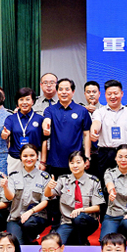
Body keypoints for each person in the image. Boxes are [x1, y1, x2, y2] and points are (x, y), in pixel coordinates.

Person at [42, 78, 92, 228]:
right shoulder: (50, 110)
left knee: (76, 192)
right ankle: (56, 225)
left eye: (67, 89)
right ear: (57, 92)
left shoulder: (81, 111)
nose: (64, 92)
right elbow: (46, 121)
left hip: (76, 163)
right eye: (61, 89)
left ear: (73, 91)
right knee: (55, 194)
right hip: (55, 160)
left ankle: (75, 224)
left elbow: (87, 134)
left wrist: (87, 157)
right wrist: (46, 126)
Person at [44, 151, 102, 245]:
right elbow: (48, 195)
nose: (75, 165)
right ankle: (77, 239)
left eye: (78, 162)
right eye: (72, 163)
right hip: (67, 222)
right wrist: (48, 187)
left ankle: (82, 242)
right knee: (57, 244)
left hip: (87, 220)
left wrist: (81, 210)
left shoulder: (94, 181)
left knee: (78, 219)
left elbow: (97, 207)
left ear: (85, 163)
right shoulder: (63, 180)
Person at [91, 80, 127, 179]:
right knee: (105, 183)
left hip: (125, 154)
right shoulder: (99, 112)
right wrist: (93, 131)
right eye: (109, 94)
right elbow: (96, 123)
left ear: (121, 93)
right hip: (105, 154)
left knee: (126, 182)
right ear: (105, 95)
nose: (112, 97)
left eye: (116, 93)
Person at [5, 143, 52, 243]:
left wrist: (31, 212)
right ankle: (31, 242)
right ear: (21, 157)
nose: (29, 159)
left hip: (36, 217)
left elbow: (45, 201)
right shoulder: (13, 176)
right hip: (15, 218)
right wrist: (5, 187)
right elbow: (10, 197)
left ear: (37, 156)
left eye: (32, 155)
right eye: (25, 156)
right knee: (16, 244)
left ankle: (31, 239)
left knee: (29, 224)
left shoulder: (44, 177)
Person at [3, 88, 45, 173]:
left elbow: (44, 140)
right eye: (21, 99)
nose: (24, 102)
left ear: (33, 101)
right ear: (17, 102)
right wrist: (5, 134)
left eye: (27, 99)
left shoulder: (40, 119)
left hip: (34, 159)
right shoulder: (11, 118)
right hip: (15, 159)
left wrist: (43, 162)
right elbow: (5, 134)